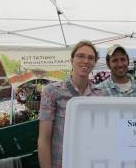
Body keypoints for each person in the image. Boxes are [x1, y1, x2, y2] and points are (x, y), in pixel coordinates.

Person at [38, 40, 102, 168]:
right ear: (71, 60)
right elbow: (44, 140)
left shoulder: (99, 95)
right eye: (80, 56)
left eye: (91, 58)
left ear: (94, 63)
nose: (86, 61)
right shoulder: (52, 91)